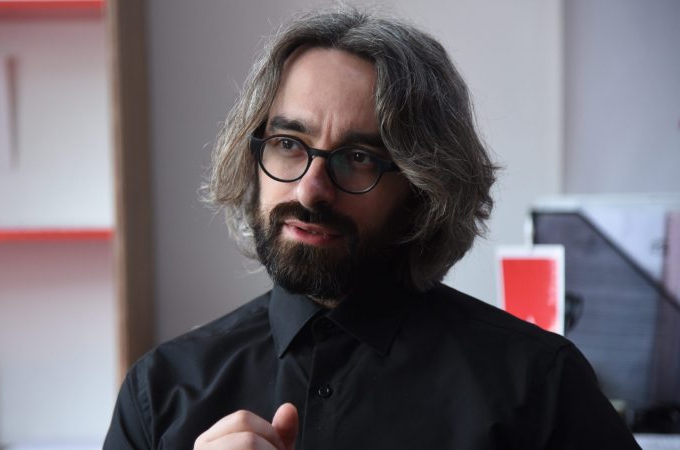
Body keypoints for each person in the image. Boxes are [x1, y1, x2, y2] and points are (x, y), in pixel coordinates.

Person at [104, 6, 640, 450]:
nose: (310, 190)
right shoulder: (162, 389)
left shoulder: (539, 387)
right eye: (288, 144)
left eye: (358, 157)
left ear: (424, 189)